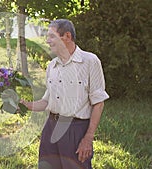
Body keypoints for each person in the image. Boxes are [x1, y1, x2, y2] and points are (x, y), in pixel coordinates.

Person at [20, 19, 109, 169]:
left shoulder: (90, 61)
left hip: (75, 130)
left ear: (67, 36)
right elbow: (47, 101)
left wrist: (88, 138)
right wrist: (26, 105)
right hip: (51, 127)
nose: (47, 41)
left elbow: (98, 103)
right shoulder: (52, 66)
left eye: (52, 36)